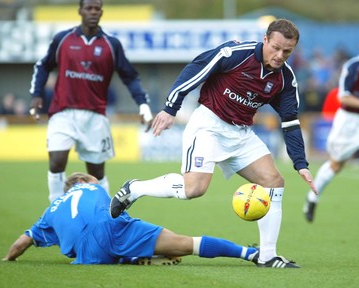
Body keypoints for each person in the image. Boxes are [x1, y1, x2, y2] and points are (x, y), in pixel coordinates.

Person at [110, 19, 317, 268]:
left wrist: (300, 163)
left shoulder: (285, 78)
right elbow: (195, 69)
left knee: (274, 181)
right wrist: (170, 109)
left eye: (287, 51)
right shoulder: (235, 54)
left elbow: (290, 121)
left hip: (241, 133)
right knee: (193, 189)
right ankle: (135, 188)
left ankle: (267, 255)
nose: (280, 55)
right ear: (265, 39)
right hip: (208, 124)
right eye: (276, 47)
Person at [28, 0, 153, 202]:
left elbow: (129, 76)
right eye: (89, 8)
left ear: (101, 12)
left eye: (97, 9)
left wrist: (143, 105)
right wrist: (36, 94)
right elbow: (43, 66)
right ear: (80, 11)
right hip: (63, 112)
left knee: (96, 173)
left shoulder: (111, 45)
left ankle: (104, 213)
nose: (93, 12)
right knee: (56, 162)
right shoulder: (63, 39)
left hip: (95, 116)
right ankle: (54, 210)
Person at [3, 172, 260, 266]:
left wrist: (7, 259)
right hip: (112, 229)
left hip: (87, 255)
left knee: (112, 250)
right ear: (81, 182)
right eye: (92, 179)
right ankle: (249, 254)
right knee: (186, 244)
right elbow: (110, 216)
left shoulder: (50, 210)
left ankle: (132, 258)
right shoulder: (94, 188)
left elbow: (21, 243)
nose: (98, 182)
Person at [303, 30, 359, 225]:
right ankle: (312, 198)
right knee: (336, 165)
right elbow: (342, 96)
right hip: (349, 121)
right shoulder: (353, 67)